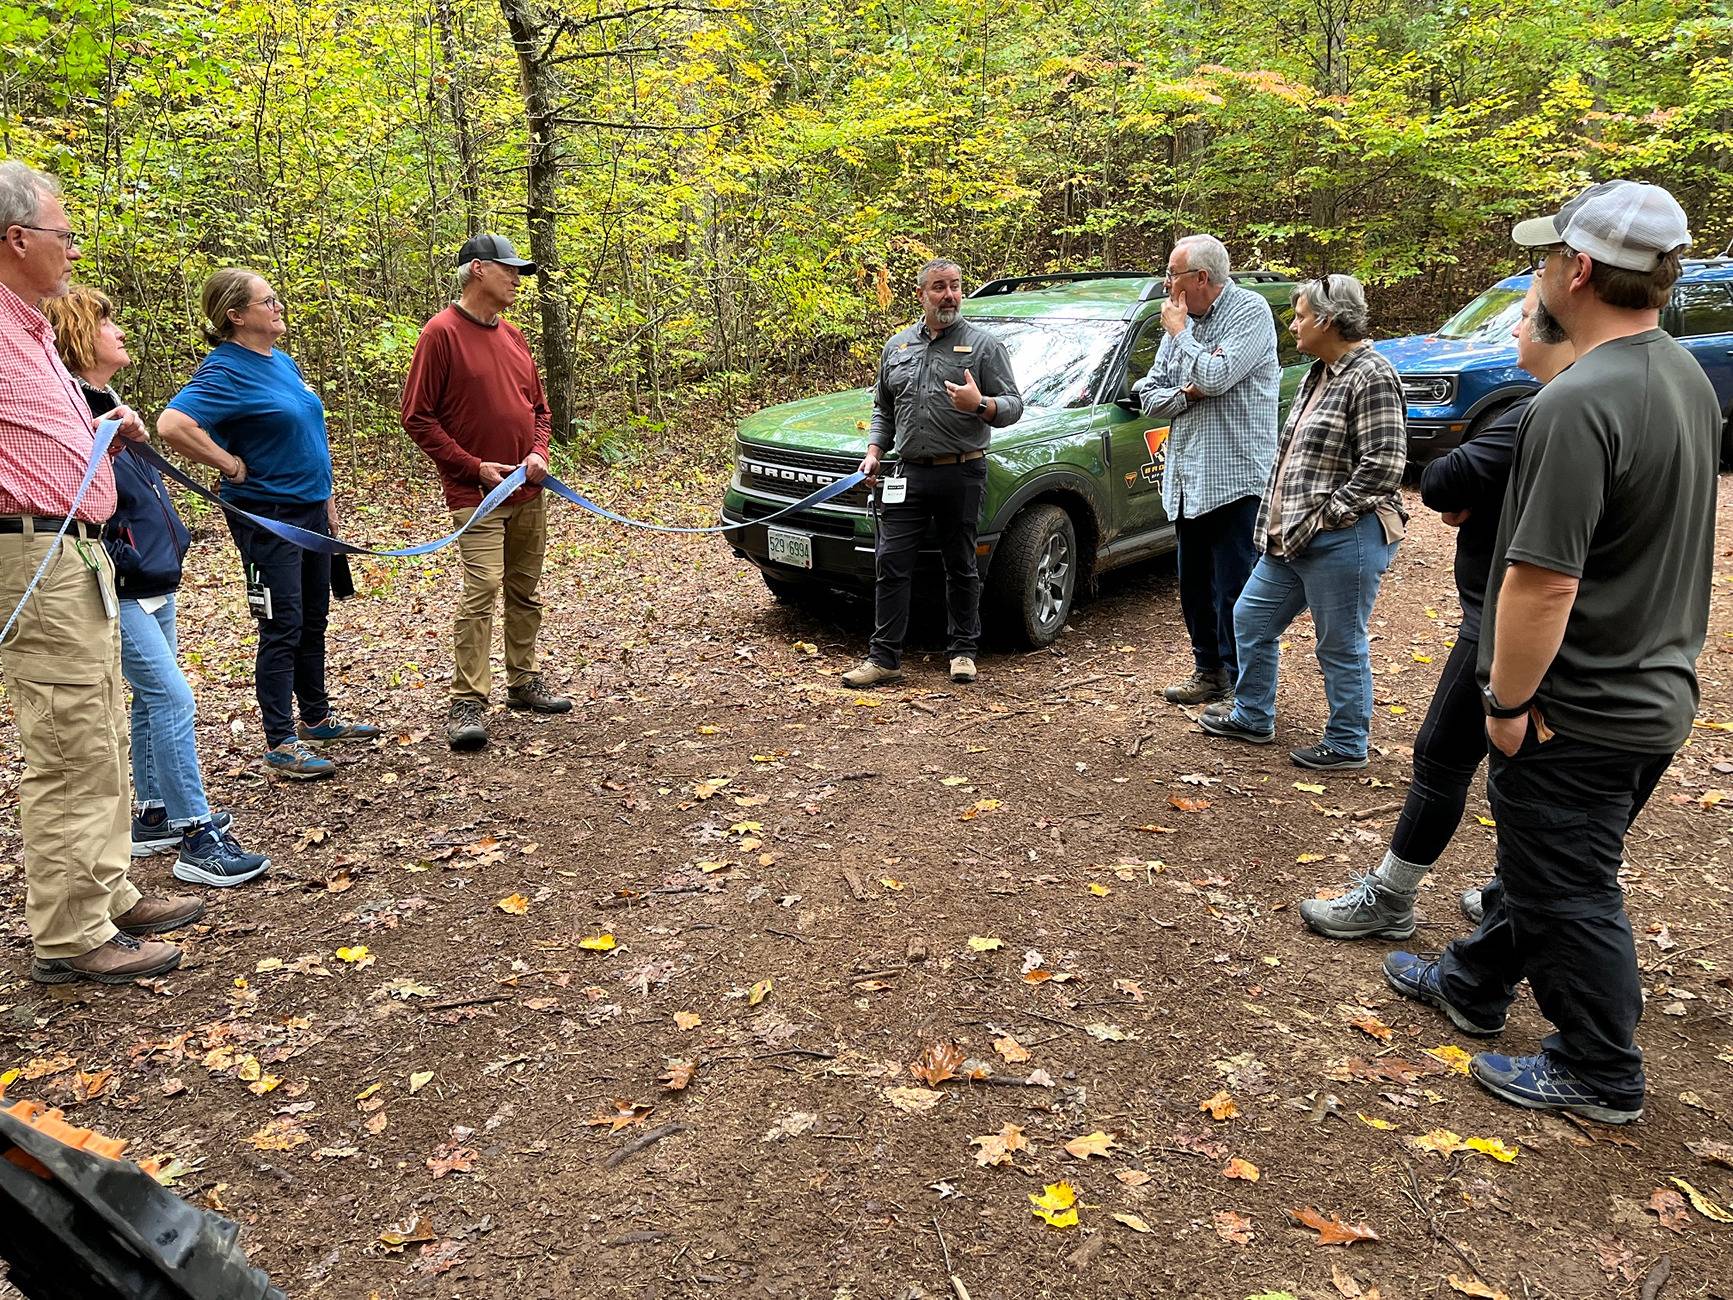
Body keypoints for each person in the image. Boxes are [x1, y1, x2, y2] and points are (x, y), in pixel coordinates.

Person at [1384, 181, 1718, 1125]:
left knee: (1568, 885)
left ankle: (1599, 1066)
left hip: (1579, 705)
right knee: (1547, 865)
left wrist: (1503, 700)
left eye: (1542, 258)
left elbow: (1541, 582)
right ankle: (1474, 980)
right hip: (1652, 691)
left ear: (1576, 270)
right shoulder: (1682, 375)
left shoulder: (1578, 401)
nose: (1537, 273)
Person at [1300, 285, 1571, 939]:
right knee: (1530, 775)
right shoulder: (1635, 397)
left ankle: (1396, 900)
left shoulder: (1545, 411)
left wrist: (1474, 488)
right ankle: (1509, 893)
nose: (1512, 334)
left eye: (1524, 320)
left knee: (1447, 757)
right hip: (1557, 623)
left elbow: (1443, 479)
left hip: (1508, 618)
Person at [0, 160, 202, 983]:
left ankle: (107, 893)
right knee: (69, 739)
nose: (73, 251)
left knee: (104, 730)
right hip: (30, 552)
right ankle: (73, 933)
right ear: (16, 239)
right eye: (64, 234)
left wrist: (98, 432)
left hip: (76, 551)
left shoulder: (34, 326)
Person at [43, 286, 270, 888]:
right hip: (119, 583)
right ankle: (198, 836)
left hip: (152, 579)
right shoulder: (67, 411)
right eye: (106, 324)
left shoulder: (106, 401)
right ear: (76, 337)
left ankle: (152, 814)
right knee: (173, 698)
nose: (119, 332)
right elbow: (78, 502)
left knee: (151, 700)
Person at [157, 268, 380, 780]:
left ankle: (316, 717)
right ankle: (280, 740)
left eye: (277, 298)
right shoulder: (225, 370)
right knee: (281, 624)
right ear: (235, 316)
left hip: (310, 512)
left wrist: (326, 502)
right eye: (267, 300)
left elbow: (303, 433)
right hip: (268, 518)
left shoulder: (280, 361)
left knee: (313, 618)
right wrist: (229, 465)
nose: (278, 307)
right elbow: (173, 424)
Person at [1198, 274, 1407, 769]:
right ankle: (1252, 714)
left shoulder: (1370, 374)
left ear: (1328, 320)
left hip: (1344, 536)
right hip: (1294, 537)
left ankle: (1347, 742)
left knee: (1339, 641)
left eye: (1300, 316)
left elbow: (1384, 466)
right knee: (1250, 618)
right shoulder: (1321, 371)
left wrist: (1325, 518)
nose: (1293, 325)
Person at [401, 233, 571, 752]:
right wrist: (473, 467)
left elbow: (539, 409)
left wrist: (539, 453)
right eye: (510, 269)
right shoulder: (441, 334)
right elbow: (417, 417)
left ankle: (523, 682)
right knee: (482, 589)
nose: (518, 279)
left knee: (525, 589)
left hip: (528, 492)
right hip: (474, 494)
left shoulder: (514, 336)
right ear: (478, 270)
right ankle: (468, 701)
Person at [841, 258, 1024, 688]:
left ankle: (962, 651)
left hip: (962, 472)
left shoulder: (983, 346)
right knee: (891, 563)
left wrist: (980, 405)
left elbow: (1014, 405)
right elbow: (884, 409)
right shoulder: (897, 347)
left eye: (956, 286)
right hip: (907, 474)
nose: (949, 295)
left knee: (960, 564)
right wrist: (873, 452)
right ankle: (884, 658)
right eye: (939, 287)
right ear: (922, 295)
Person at [1133, 234, 1280, 705]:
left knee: (1238, 591)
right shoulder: (1184, 321)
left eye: (1172, 275)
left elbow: (1217, 377)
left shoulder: (1248, 311)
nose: (1166, 284)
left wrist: (1182, 339)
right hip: (1186, 480)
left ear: (1200, 278)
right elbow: (1149, 394)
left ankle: (1245, 692)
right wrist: (1189, 392)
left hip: (1234, 478)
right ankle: (1208, 671)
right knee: (1194, 587)